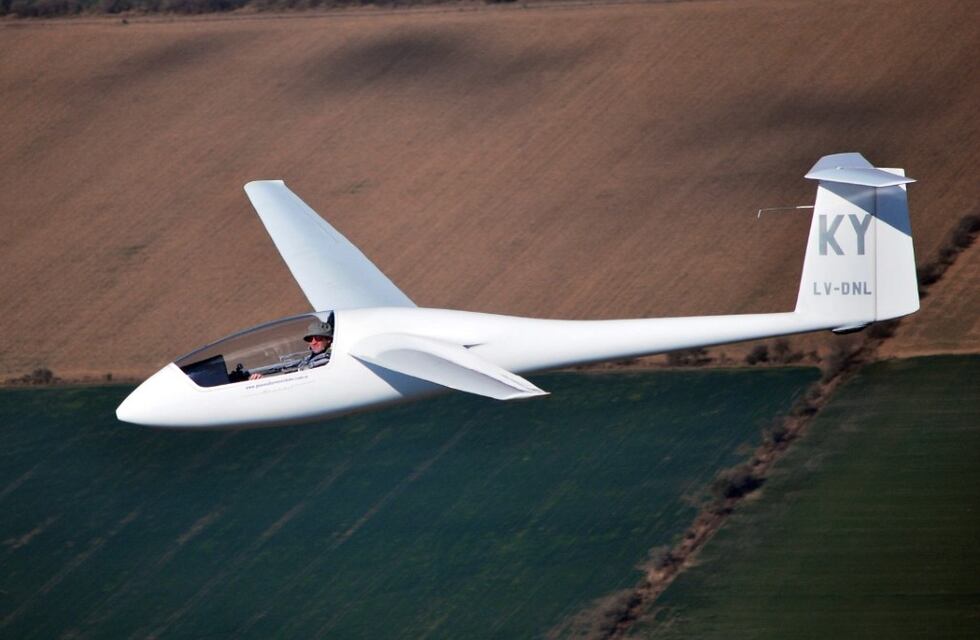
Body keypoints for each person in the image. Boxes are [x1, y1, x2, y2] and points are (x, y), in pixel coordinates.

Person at [248, 319, 333, 380]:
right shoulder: (308, 358)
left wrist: (265, 380)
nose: (313, 342)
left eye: (318, 338)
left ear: (328, 339)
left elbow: (298, 381)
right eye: (310, 339)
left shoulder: (326, 360)